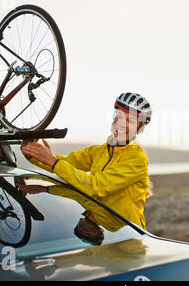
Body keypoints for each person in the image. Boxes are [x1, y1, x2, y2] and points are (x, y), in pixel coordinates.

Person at [20, 92, 153, 229]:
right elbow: (67, 166)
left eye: (130, 121)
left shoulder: (136, 159)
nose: (121, 124)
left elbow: (95, 187)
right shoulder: (99, 151)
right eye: (118, 117)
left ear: (140, 128)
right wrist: (33, 154)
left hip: (128, 236)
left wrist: (51, 162)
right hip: (99, 228)